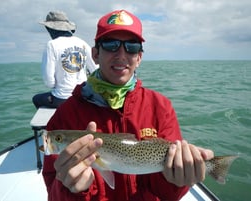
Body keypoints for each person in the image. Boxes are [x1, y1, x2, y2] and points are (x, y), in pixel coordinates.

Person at [43, 10, 214, 201]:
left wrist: (178, 180)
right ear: (95, 54)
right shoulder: (66, 114)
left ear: (139, 57)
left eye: (132, 47)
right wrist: (71, 189)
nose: (121, 55)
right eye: (111, 45)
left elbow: (166, 194)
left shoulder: (161, 107)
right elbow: (53, 193)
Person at [32, 11, 98, 109]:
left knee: (36, 99)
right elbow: (95, 70)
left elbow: (49, 82)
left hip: (62, 99)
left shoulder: (51, 44)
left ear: (50, 28)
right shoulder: (82, 43)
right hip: (84, 96)